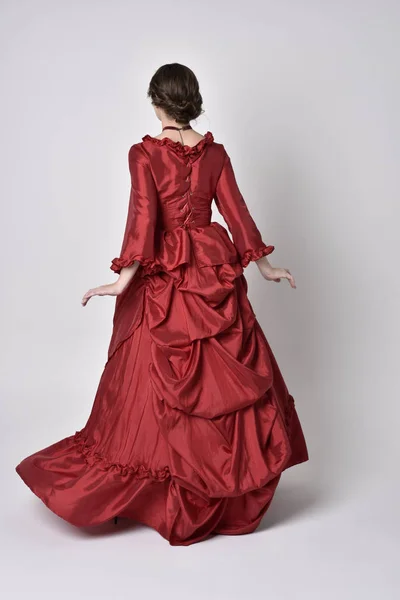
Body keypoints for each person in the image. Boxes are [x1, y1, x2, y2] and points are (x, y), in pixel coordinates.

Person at [15, 63, 309, 546]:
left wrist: (122, 280)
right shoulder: (215, 154)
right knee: (222, 380)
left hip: (168, 275)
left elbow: (142, 221)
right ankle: (222, 486)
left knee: (158, 382)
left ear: (156, 101)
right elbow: (237, 215)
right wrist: (265, 268)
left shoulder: (144, 154)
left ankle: (167, 484)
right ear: (192, 101)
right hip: (212, 267)